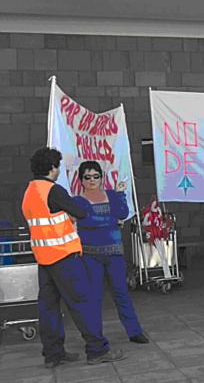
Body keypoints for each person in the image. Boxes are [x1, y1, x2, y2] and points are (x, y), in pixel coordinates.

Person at [21, 147, 125, 367]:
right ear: (52, 168)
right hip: (64, 256)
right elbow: (81, 212)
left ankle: (53, 354)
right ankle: (97, 350)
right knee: (83, 302)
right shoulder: (53, 190)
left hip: (43, 258)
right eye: (58, 166)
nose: (59, 170)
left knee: (49, 308)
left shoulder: (29, 191)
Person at [72, 161, 148, 344]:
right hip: (90, 256)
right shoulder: (76, 202)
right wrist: (112, 221)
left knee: (121, 293)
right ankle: (95, 336)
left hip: (114, 254)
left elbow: (122, 213)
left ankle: (134, 331)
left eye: (95, 176)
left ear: (102, 178)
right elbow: (88, 221)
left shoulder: (112, 195)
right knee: (94, 296)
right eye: (87, 177)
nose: (92, 180)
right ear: (81, 180)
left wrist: (120, 194)